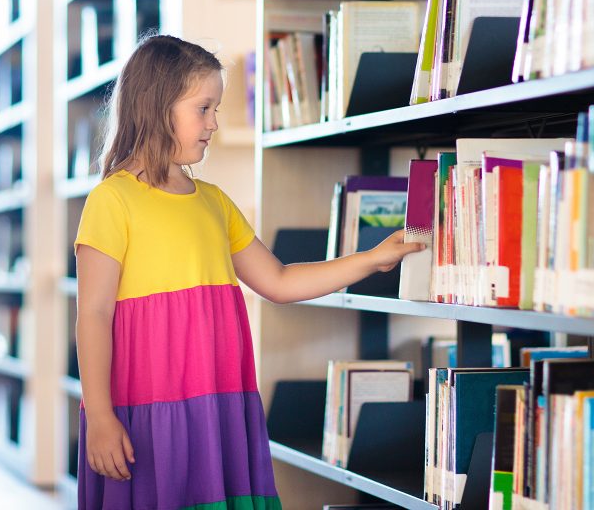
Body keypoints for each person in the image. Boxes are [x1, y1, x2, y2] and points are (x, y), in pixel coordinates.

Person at [75, 34, 425, 510]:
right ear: (157, 107)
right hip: (146, 411)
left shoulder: (215, 203)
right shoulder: (112, 200)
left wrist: (369, 260)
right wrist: (99, 415)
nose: (214, 124)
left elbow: (278, 282)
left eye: (215, 109)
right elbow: (93, 313)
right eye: (204, 108)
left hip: (217, 405)